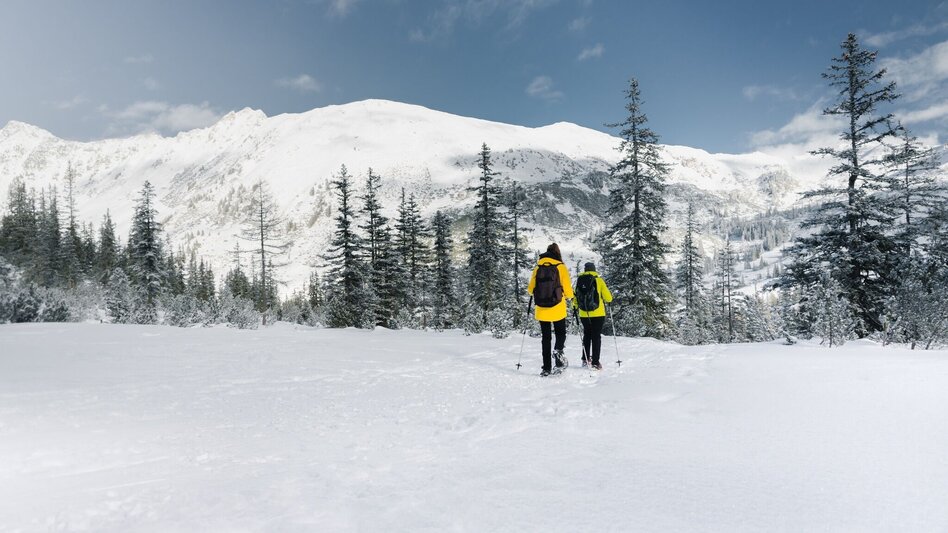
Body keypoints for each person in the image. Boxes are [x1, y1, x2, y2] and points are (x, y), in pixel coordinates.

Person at [527, 243, 574, 376]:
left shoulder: (538, 267)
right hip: (557, 308)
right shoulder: (560, 266)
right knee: (560, 333)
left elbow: (530, 289)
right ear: (557, 253)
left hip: (542, 308)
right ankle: (558, 354)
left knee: (546, 338)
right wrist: (570, 297)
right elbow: (568, 290)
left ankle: (546, 368)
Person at [573, 262, 613, 370]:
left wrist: (575, 306)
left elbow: (576, 296)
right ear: (594, 270)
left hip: (583, 313)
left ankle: (585, 359)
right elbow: (608, 298)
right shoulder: (599, 280)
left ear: (585, 270)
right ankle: (595, 363)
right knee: (596, 336)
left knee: (587, 335)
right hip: (598, 313)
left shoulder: (579, 281)